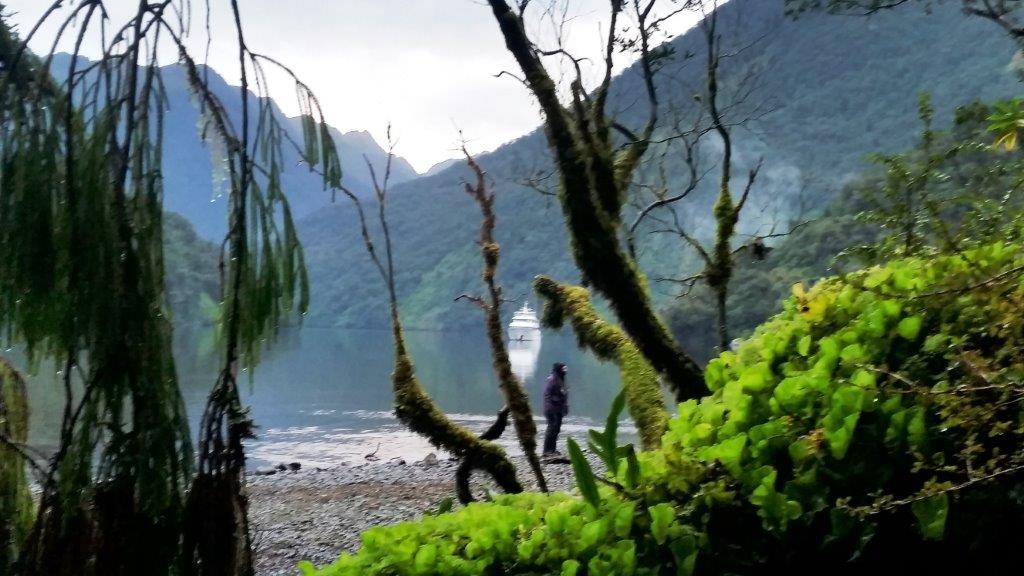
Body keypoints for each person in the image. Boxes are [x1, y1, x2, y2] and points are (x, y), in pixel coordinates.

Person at [542, 362, 569, 456]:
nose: (565, 371)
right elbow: (547, 394)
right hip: (551, 409)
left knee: (556, 429)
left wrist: (565, 406)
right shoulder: (552, 379)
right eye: (563, 369)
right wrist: (551, 406)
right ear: (559, 369)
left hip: (559, 409)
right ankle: (547, 451)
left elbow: (564, 394)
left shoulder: (561, 379)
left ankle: (552, 450)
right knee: (551, 429)